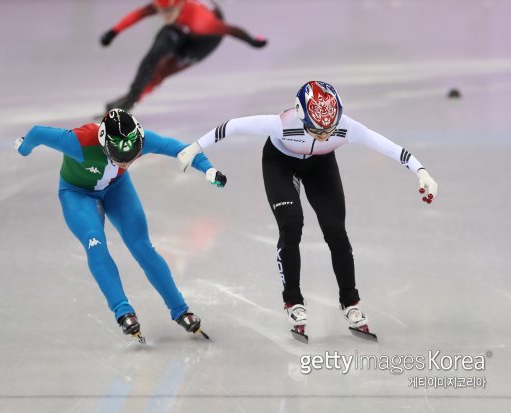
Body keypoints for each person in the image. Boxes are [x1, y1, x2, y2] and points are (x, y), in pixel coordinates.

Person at [177, 81, 438, 342]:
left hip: (320, 167)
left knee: (336, 231)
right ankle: (293, 301)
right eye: (316, 130)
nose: (324, 135)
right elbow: (232, 126)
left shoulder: (346, 126)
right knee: (291, 225)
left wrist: (421, 171)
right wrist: (195, 147)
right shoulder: (281, 124)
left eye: (329, 129)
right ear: (302, 117)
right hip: (280, 164)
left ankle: (350, 302)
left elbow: (389, 147)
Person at [14, 109, 227, 342]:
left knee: (142, 247)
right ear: (104, 145)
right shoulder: (79, 141)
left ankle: (181, 310)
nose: (126, 162)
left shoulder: (142, 139)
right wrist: (24, 148)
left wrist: (208, 168)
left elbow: (180, 149)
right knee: (95, 244)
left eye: (132, 157)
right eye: (120, 159)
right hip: (78, 194)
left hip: (117, 189)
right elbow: (37, 133)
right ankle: (122, 310)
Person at [99, 0, 267, 112]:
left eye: (169, 11)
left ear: (179, 5)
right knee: (155, 53)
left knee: (163, 71)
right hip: (183, 23)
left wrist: (253, 41)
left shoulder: (204, 23)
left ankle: (132, 99)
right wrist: (113, 32)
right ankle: (132, 95)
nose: (164, 15)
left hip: (204, 40)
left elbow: (232, 30)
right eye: (160, 11)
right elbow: (138, 14)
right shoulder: (166, 5)